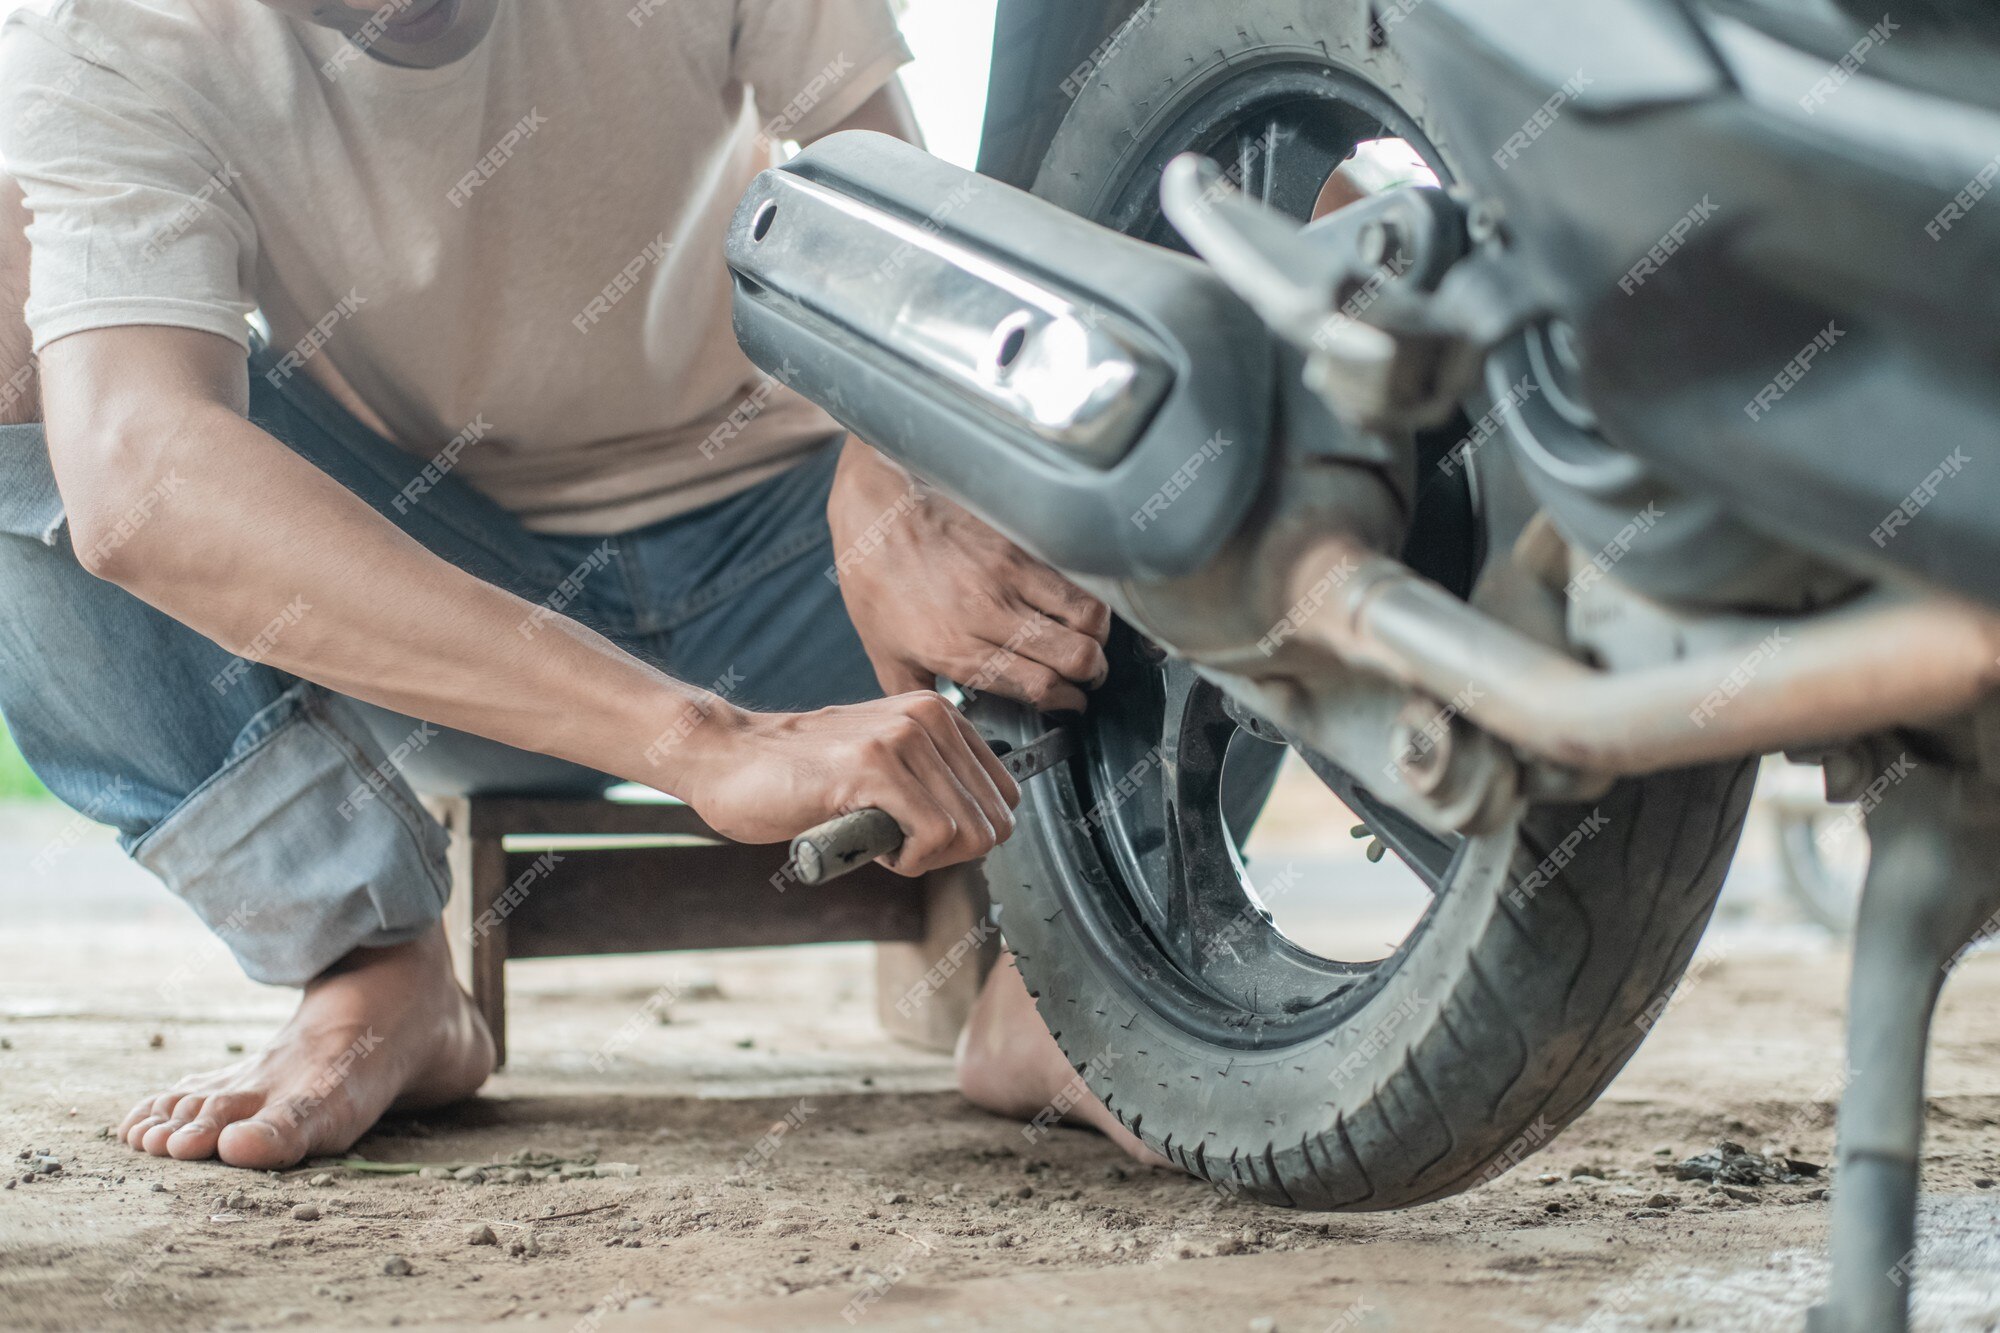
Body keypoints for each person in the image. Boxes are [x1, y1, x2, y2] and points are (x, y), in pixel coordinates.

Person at [0, 0, 1154, 1170]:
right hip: (439, 609)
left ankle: (1078, 974)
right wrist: (701, 743)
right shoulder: (105, 32)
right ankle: (365, 967)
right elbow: (138, 461)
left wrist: (892, 450)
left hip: (819, 570)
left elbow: (908, 210)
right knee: (14, 343)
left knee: (1209, 355)